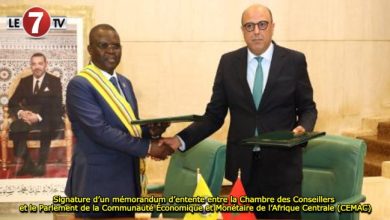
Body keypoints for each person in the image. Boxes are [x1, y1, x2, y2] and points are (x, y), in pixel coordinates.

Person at [163, 4, 317, 219]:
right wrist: (181, 139)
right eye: (249, 26)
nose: (256, 31)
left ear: (272, 27)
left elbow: (308, 107)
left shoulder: (294, 61)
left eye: (262, 25)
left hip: (282, 169)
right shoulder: (228, 63)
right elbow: (214, 115)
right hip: (242, 170)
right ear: (242, 30)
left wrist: (304, 127)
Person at [64, 24, 173, 218]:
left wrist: (152, 132)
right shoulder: (80, 85)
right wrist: (148, 147)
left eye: (116, 46)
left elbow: (129, 127)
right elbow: (100, 131)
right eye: (103, 45)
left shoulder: (124, 82)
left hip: (126, 181)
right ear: (90, 50)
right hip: (96, 184)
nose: (111, 51)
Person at [9, 52, 63, 177]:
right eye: (33, 64)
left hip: (48, 117)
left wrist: (37, 117)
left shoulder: (54, 81)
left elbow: (57, 105)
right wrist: (22, 113)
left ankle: (41, 164)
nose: (37, 67)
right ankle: (27, 163)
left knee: (47, 125)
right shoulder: (25, 81)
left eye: (40, 63)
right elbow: (12, 101)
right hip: (28, 118)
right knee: (15, 127)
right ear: (31, 66)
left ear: (46, 65)